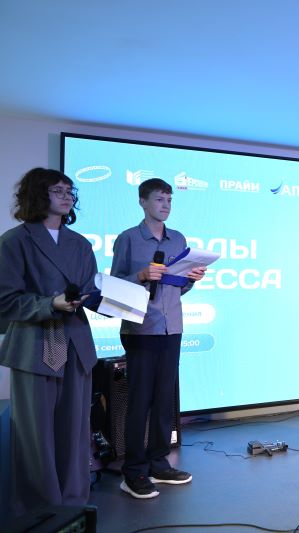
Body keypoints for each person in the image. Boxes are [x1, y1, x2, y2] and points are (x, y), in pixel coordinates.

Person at [0, 168, 98, 516]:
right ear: (38, 194)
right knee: (36, 435)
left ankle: (73, 507)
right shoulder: (15, 241)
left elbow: (92, 291)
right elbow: (5, 300)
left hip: (76, 344)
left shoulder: (81, 244)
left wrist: (121, 297)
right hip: (36, 344)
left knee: (74, 433)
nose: (67, 196)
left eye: (70, 191)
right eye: (58, 190)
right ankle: (39, 511)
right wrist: (50, 304)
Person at [111, 178, 206, 499]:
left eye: (169, 200)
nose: (165, 205)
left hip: (172, 327)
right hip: (141, 329)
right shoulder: (128, 239)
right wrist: (140, 275)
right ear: (142, 202)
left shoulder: (178, 239)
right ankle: (134, 471)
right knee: (140, 401)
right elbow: (114, 288)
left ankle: (159, 463)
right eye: (159, 199)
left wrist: (191, 278)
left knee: (165, 399)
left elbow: (179, 287)